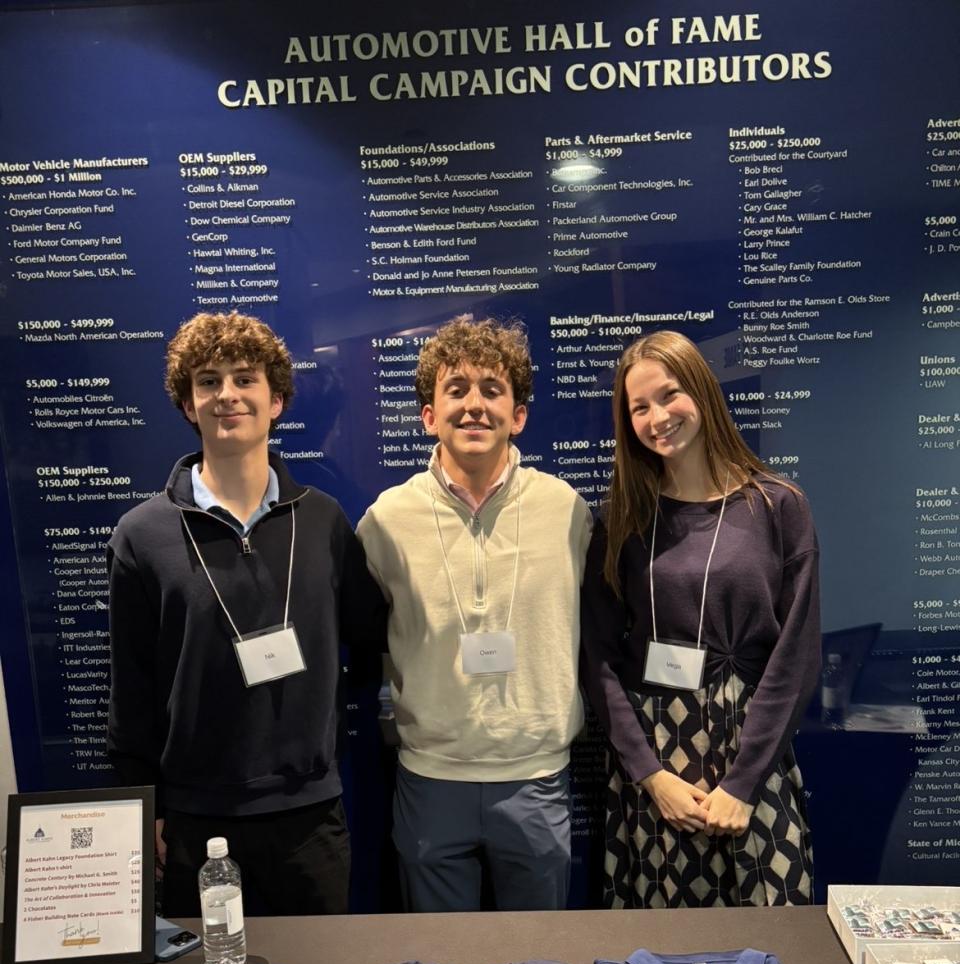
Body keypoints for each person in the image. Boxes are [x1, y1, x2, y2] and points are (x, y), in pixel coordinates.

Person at [107, 311, 385, 916]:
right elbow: (132, 687)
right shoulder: (141, 535)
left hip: (309, 813)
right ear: (188, 404)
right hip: (193, 818)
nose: (226, 394)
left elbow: (369, 642)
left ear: (276, 400)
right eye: (208, 381)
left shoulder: (323, 520)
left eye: (244, 378)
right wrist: (144, 807)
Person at [357, 316, 592, 912]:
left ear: (519, 415)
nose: (474, 405)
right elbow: (360, 632)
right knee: (441, 957)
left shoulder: (566, 511)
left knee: (538, 954)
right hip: (430, 778)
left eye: (492, 389)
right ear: (428, 416)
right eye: (456, 390)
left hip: (536, 777)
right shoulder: (386, 520)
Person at [580, 330, 819, 908]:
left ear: (703, 391)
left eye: (669, 395)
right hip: (659, 759)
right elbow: (598, 658)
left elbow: (796, 654)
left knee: (772, 932)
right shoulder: (621, 520)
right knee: (666, 941)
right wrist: (649, 775)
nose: (658, 417)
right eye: (639, 407)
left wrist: (743, 783)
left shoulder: (778, 505)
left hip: (754, 753)